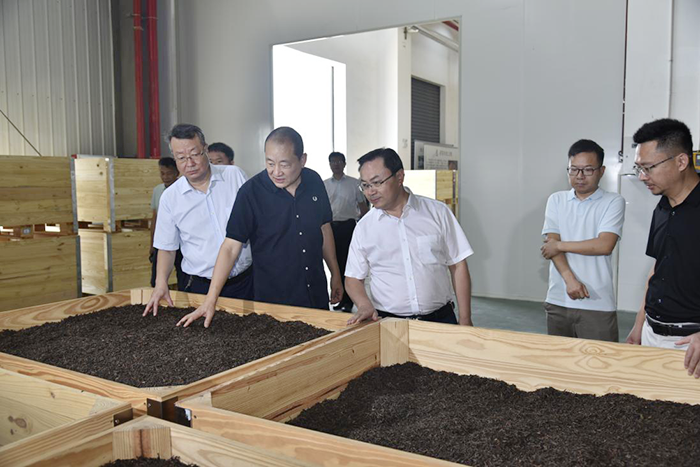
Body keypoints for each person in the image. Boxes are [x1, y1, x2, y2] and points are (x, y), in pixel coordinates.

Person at [176, 127, 343, 327]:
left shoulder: (314, 181)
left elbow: (324, 229)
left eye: (284, 164)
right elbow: (230, 247)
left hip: (316, 292)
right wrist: (210, 300)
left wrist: (335, 274)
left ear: (302, 160)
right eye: (270, 163)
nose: (276, 172)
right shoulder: (250, 193)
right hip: (274, 302)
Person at [344, 147, 474, 326]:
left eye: (377, 182)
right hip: (388, 324)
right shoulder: (364, 227)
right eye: (365, 185)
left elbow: (458, 265)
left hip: (440, 320)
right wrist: (364, 304)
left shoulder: (437, 212)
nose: (370, 192)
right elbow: (353, 278)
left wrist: (465, 318)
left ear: (399, 177)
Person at [143, 123, 253, 317]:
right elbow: (167, 248)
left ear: (205, 149)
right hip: (200, 287)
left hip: (245, 282)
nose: (190, 163)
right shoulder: (170, 197)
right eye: (181, 158)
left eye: (194, 154)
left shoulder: (234, 176)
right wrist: (161, 283)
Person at [624, 119, 700, 378]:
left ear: (681, 162)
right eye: (639, 168)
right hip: (652, 332)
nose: (642, 176)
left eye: (649, 168)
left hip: (691, 344)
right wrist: (639, 324)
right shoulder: (663, 207)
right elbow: (658, 269)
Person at [540, 140, 626, 342]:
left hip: (598, 303)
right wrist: (570, 280)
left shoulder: (613, 201)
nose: (579, 176)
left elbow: (604, 245)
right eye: (574, 169)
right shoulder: (556, 200)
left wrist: (559, 245)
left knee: (601, 359)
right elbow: (551, 244)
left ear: (601, 171)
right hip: (559, 300)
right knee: (559, 359)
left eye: (588, 170)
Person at [323, 152, 369, 312]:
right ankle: (339, 297)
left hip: (348, 227)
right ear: (329, 164)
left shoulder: (354, 183)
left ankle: (348, 301)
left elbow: (363, 208)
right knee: (334, 263)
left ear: (344, 163)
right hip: (330, 228)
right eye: (332, 162)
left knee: (348, 264)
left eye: (338, 161)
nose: (336, 164)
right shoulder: (324, 184)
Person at [149, 157, 186, 289]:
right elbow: (155, 218)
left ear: (177, 172)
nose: (165, 177)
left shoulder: (184, 189)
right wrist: (152, 243)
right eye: (162, 173)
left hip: (181, 241)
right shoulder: (157, 190)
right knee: (156, 279)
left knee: (183, 277)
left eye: (169, 173)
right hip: (162, 241)